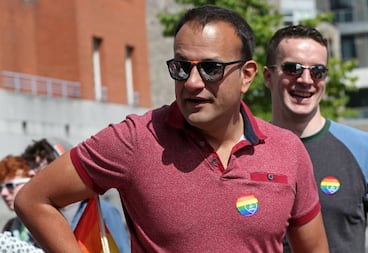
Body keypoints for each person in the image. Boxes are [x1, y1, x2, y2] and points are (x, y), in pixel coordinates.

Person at [15, 5, 328, 252]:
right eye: (181, 67)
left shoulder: (286, 150)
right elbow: (33, 200)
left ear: (247, 75)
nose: (192, 83)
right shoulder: (135, 139)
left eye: (210, 68)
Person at [263, 24, 368, 252]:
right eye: (293, 68)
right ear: (267, 76)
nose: (306, 79)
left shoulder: (366, 149)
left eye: (317, 71)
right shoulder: (244, 151)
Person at [21, 137, 130, 253]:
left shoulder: (103, 211)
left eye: (39, 166)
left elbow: (122, 250)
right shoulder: (38, 214)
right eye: (31, 166)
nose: (31, 173)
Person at [0, 155, 37, 247]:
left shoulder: (52, 219)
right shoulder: (9, 227)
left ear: (32, 181)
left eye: (10, 185)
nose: (3, 193)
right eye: (0, 188)